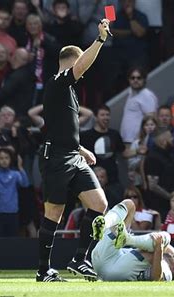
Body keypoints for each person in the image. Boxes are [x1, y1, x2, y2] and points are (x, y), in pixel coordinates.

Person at [36, 19, 112, 282]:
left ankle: (80, 259)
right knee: (54, 213)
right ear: (72, 62)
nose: (85, 71)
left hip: (71, 155)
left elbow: (59, 127)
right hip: (55, 157)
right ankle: (43, 270)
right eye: (82, 65)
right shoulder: (58, 81)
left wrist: (80, 148)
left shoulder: (66, 90)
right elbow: (80, 65)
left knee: (99, 204)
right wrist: (100, 39)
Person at [90, 199, 174, 281]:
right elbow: (164, 246)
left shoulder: (168, 270)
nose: (170, 255)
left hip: (113, 271)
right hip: (102, 259)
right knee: (129, 204)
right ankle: (105, 223)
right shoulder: (161, 255)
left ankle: (128, 239)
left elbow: (157, 279)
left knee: (165, 237)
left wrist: (159, 249)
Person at [80, 105, 126, 184]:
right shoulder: (86, 135)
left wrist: (137, 150)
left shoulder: (114, 134)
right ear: (96, 117)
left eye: (107, 115)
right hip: (94, 179)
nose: (106, 117)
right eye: (102, 115)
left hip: (113, 180)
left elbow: (124, 152)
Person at [0, 148, 29, 237]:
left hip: (12, 213)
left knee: (12, 240)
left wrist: (20, 167)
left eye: (6, 158)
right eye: (1, 158)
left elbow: (25, 184)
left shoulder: (15, 174)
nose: (4, 161)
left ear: (11, 159)